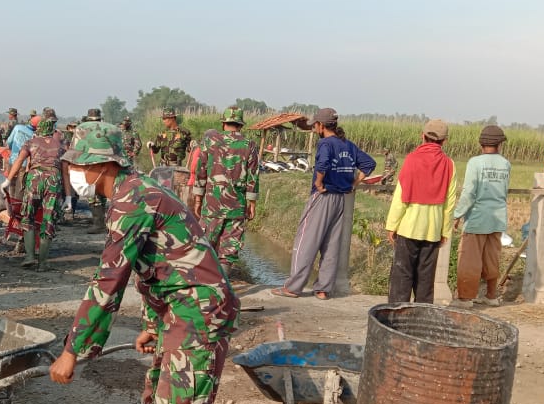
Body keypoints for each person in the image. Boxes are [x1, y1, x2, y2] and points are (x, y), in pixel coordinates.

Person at [49, 121, 238, 404]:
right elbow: (152, 266)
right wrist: (152, 324)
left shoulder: (135, 199)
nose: (74, 172)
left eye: (79, 164)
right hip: (178, 307)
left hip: (198, 311)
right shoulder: (130, 191)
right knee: (155, 394)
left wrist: (71, 350)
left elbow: (108, 282)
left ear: (103, 165)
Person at [272, 108, 376, 300]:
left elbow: (322, 164)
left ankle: (293, 287)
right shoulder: (348, 145)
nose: (313, 129)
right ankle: (323, 289)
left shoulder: (325, 143)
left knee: (306, 241)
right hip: (340, 200)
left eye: (315, 126)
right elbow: (369, 164)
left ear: (321, 126)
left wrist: (319, 183)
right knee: (331, 245)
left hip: (323, 196)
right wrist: (354, 183)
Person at [385, 119, 457, 303]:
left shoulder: (411, 159)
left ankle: (397, 314)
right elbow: (449, 203)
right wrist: (445, 231)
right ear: (444, 141)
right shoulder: (449, 164)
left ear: (422, 136)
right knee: (425, 279)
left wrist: (392, 225)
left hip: (408, 228)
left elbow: (401, 196)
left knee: (402, 276)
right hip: (433, 230)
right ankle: (422, 315)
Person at [192, 106, 260, 276]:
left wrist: (198, 198)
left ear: (224, 123)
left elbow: (200, 171)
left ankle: (202, 282)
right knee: (229, 249)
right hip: (236, 206)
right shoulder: (249, 145)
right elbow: (253, 176)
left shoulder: (210, 142)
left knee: (204, 245)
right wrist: (252, 202)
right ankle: (222, 284)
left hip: (212, 204)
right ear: (240, 125)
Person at [452, 125, 511, 307]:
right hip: (498, 218)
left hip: (477, 219)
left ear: (481, 144)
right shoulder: (505, 164)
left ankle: (465, 299)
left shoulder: (475, 163)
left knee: (469, 259)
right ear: (500, 144)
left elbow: (469, 193)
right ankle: (491, 296)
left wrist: (457, 215)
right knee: (492, 258)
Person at [3, 118, 65, 270]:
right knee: (48, 220)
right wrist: (68, 196)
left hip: (34, 180)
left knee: (28, 216)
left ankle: (29, 256)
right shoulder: (60, 146)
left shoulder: (31, 142)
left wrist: (8, 180)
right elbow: (66, 172)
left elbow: (19, 160)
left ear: (38, 130)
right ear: (52, 131)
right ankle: (43, 262)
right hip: (53, 180)